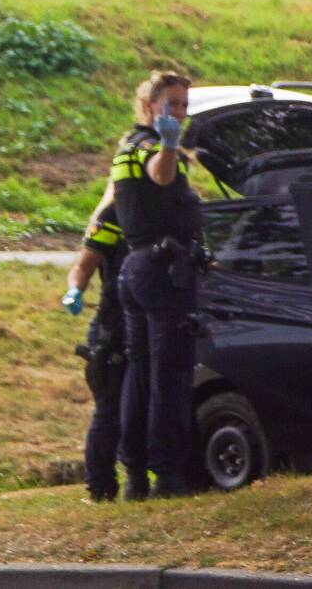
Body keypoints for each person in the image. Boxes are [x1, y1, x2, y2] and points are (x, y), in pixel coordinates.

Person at [111, 70, 201, 499]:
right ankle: (166, 476)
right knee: (170, 375)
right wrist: (169, 145)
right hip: (161, 272)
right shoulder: (149, 145)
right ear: (150, 106)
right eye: (173, 103)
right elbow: (160, 175)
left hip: (134, 268)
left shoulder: (123, 147)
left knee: (140, 374)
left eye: (184, 104)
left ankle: (133, 476)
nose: (180, 112)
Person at [61, 187, 146, 501]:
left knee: (143, 405)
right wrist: (75, 291)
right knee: (110, 410)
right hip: (114, 325)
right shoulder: (114, 216)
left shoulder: (170, 212)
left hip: (153, 320)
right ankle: (100, 487)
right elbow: (84, 266)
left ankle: (139, 480)